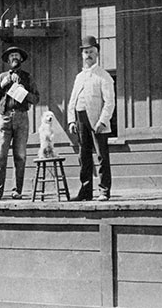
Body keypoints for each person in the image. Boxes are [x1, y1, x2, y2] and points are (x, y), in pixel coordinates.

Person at [67, 36, 116, 201]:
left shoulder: (103, 76)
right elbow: (72, 100)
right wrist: (71, 120)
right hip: (80, 119)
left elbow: (109, 102)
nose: (88, 55)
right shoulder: (79, 76)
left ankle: (104, 190)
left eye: (91, 52)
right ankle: (85, 191)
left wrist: (103, 121)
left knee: (101, 155)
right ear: (82, 54)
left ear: (97, 54)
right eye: (85, 52)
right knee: (84, 155)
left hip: (97, 121)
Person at [0, 46, 40, 200]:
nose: (14, 58)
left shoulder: (27, 77)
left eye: (17, 55)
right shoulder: (2, 76)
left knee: (20, 156)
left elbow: (36, 99)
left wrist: (25, 92)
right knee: (0, 156)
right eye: (11, 55)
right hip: (4, 118)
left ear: (21, 59)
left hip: (21, 118)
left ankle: (16, 190)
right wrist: (3, 84)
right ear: (8, 60)